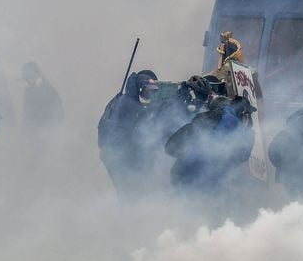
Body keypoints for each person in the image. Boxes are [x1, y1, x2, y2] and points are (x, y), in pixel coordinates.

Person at [165, 83, 257, 206]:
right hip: (204, 183)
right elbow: (234, 156)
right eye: (246, 114)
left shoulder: (201, 120)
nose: (247, 118)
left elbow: (170, 147)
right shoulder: (231, 123)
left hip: (180, 177)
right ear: (242, 112)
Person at [97, 69, 158, 198]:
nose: (150, 95)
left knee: (126, 192)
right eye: (148, 91)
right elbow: (140, 134)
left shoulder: (120, 100)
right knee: (132, 193)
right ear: (140, 89)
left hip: (111, 155)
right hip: (123, 157)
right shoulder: (130, 106)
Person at [20, 62, 64, 134]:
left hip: (47, 135)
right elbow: (26, 113)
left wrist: (49, 130)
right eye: (25, 79)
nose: (27, 82)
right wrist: (23, 131)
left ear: (37, 76)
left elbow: (60, 114)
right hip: (32, 135)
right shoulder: (28, 90)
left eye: (28, 78)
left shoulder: (49, 90)